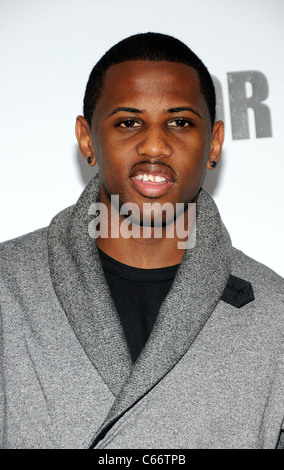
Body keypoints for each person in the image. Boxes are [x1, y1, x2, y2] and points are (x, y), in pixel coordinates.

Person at [0, 32, 283, 450]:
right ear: (86, 139)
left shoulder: (276, 317)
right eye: (128, 122)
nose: (154, 145)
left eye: (180, 121)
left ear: (215, 142)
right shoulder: (8, 287)